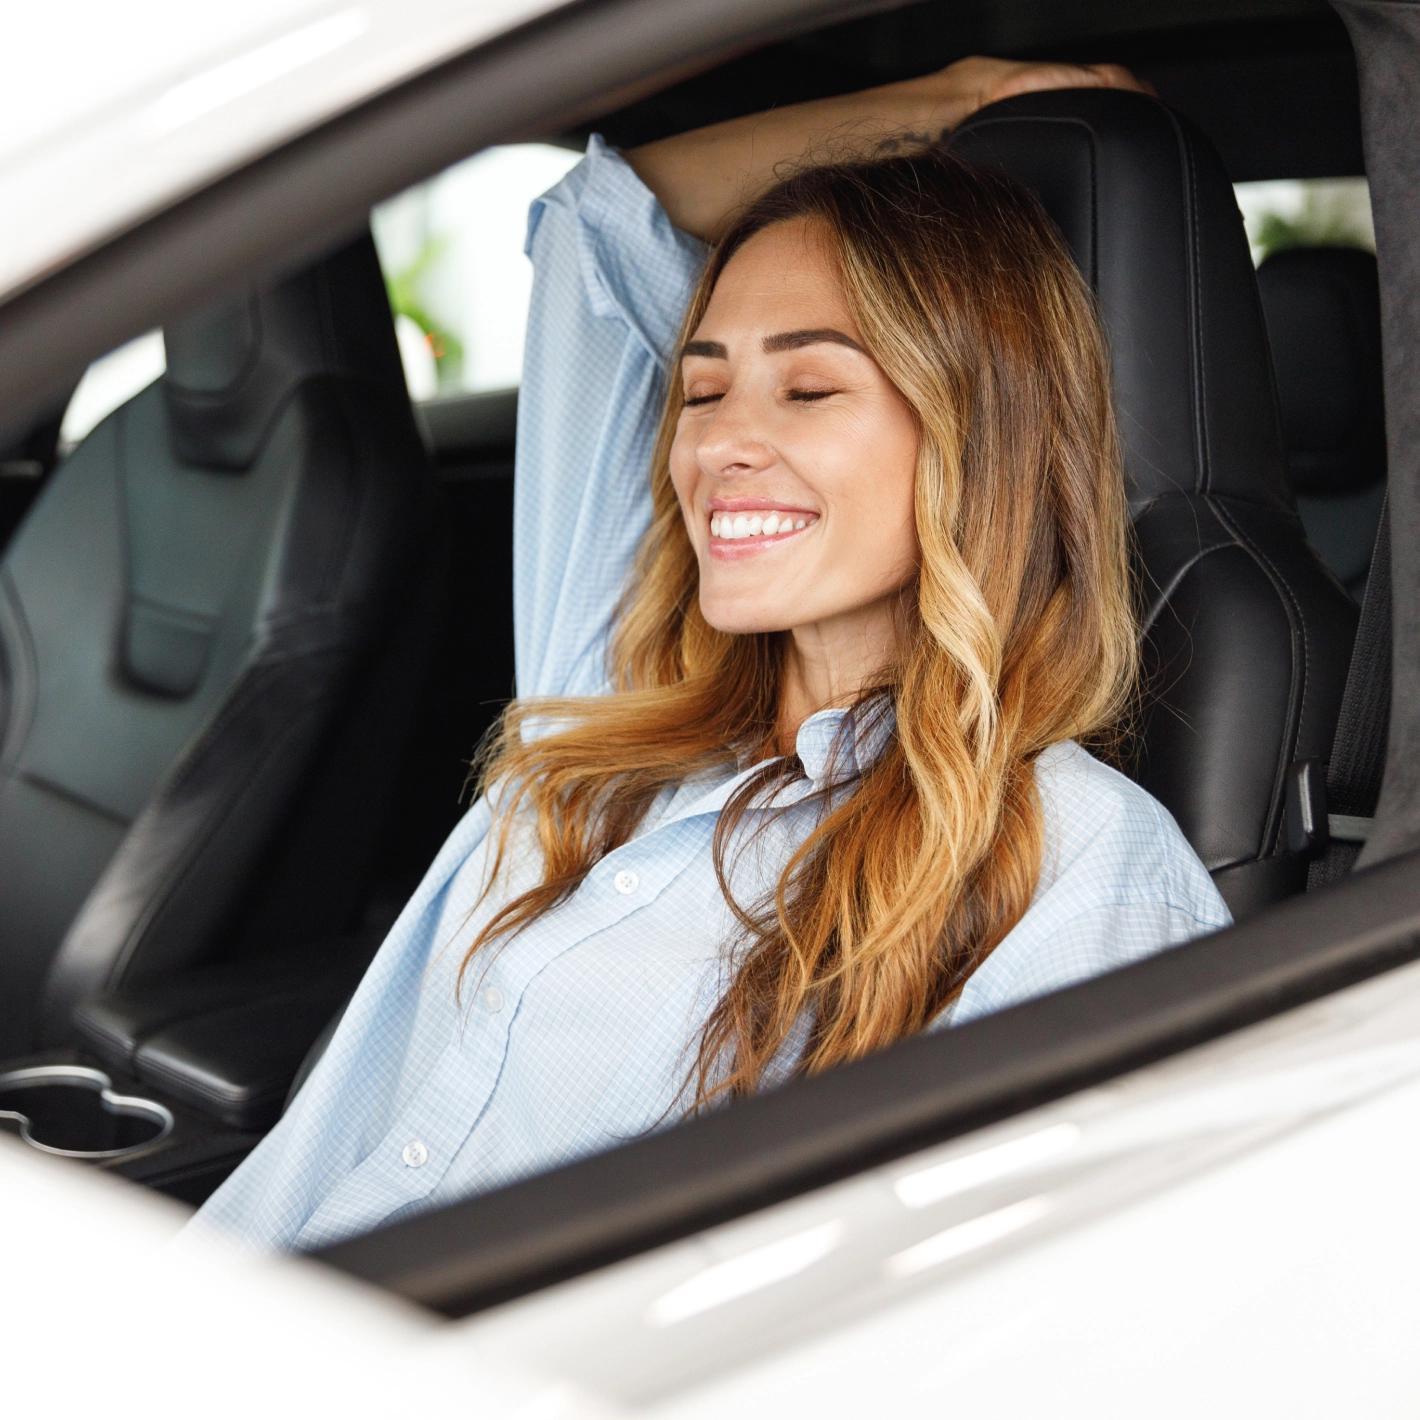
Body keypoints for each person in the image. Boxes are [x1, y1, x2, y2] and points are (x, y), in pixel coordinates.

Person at [187, 57, 1229, 1253]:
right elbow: (599, 222)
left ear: (975, 432)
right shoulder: (610, 711)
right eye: (700, 390)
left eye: (807, 387)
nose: (722, 444)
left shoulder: (1078, 869)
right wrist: (948, 97)